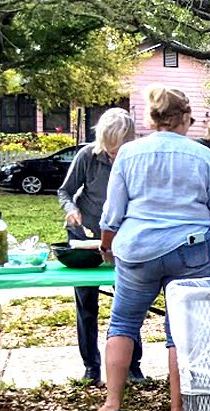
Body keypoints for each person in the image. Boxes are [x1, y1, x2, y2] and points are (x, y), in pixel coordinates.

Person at [88, 84, 210, 411]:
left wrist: (107, 243)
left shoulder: (129, 153)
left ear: (152, 118)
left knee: (124, 323)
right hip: (190, 250)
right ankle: (179, 407)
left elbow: (113, 211)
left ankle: (111, 404)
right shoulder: (201, 156)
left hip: (138, 250)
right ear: (186, 118)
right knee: (181, 331)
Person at [57, 108, 142, 386]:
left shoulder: (138, 158)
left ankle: (133, 366)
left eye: (120, 149)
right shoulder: (88, 156)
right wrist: (71, 210)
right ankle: (91, 367)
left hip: (122, 237)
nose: (114, 155)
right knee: (86, 303)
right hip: (87, 234)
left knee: (128, 302)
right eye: (111, 149)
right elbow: (65, 191)